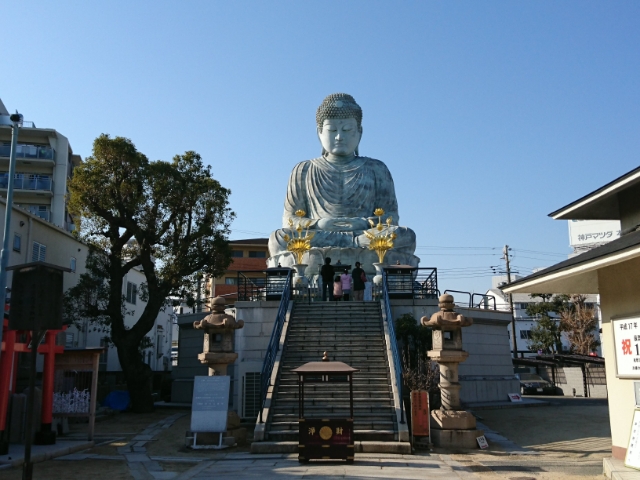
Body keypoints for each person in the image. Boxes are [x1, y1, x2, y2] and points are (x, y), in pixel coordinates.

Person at [268, 93, 417, 266]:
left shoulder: (377, 168)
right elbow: (290, 220)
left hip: (364, 235)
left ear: (360, 132)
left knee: (405, 236)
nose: (339, 136)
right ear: (319, 133)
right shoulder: (303, 169)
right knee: (278, 238)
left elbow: (391, 216)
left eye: (347, 130)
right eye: (332, 130)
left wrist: (362, 223)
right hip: (320, 235)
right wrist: (320, 224)